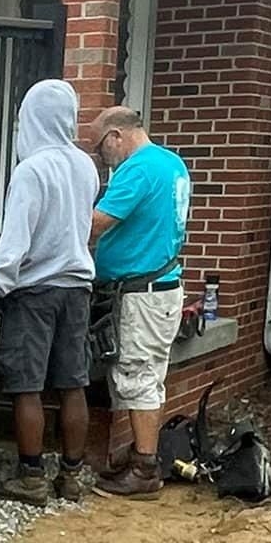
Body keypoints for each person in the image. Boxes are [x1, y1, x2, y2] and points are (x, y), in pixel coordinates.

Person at [0, 78, 100, 506]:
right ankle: (72, 476)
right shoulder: (85, 166)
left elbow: (15, 242)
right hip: (77, 289)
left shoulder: (31, 170)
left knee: (28, 387)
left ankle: (32, 476)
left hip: (35, 291)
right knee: (73, 384)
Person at [87, 107, 192, 499]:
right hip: (161, 287)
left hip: (142, 294)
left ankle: (145, 469)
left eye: (100, 148)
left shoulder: (138, 169)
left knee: (138, 374)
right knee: (149, 374)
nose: (101, 157)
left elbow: (97, 222)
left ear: (116, 135)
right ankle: (140, 457)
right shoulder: (171, 162)